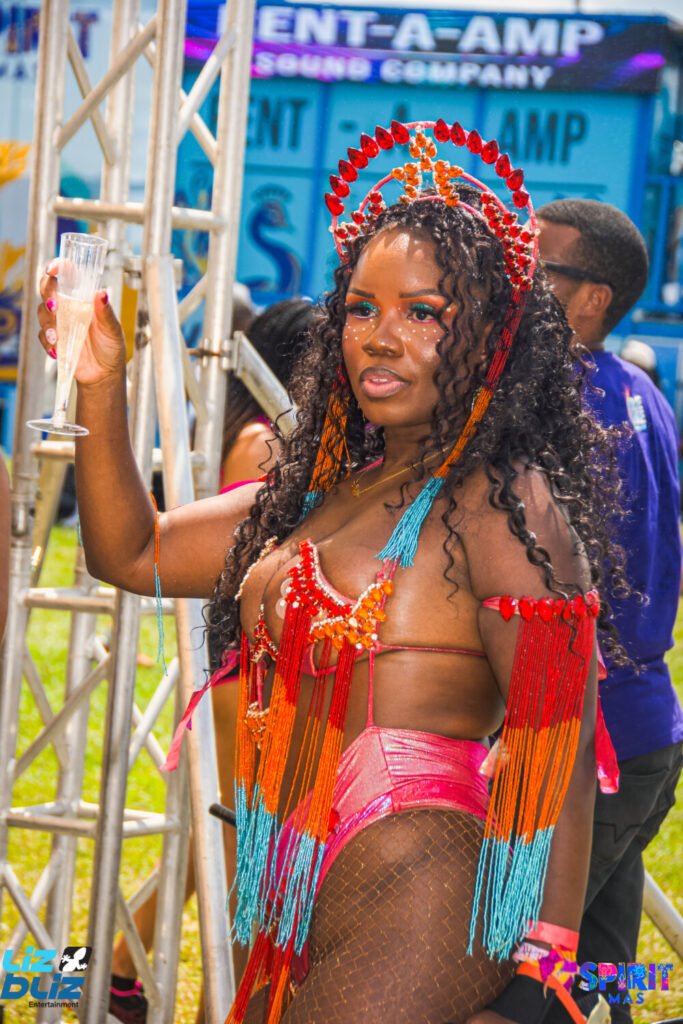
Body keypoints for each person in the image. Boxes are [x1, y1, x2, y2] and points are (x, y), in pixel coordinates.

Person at [38, 120, 627, 1024]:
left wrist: (536, 988)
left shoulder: (499, 502)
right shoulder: (318, 494)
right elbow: (132, 551)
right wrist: (98, 383)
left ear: (489, 336)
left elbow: (562, 748)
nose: (379, 338)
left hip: (422, 875)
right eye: (360, 309)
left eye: (421, 313)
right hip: (288, 884)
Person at [108, 299, 315, 1024]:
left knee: (223, 850)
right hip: (249, 675)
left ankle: (113, 966)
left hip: (253, 671)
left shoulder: (262, 433)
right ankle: (205, 1006)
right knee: (244, 877)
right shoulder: (265, 441)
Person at [537, 198, 683, 1024]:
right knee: (596, 982)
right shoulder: (637, 390)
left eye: (537, 270)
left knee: (512, 978)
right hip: (639, 735)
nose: (514, 285)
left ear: (592, 297)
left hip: (589, 745)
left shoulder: (563, 400)